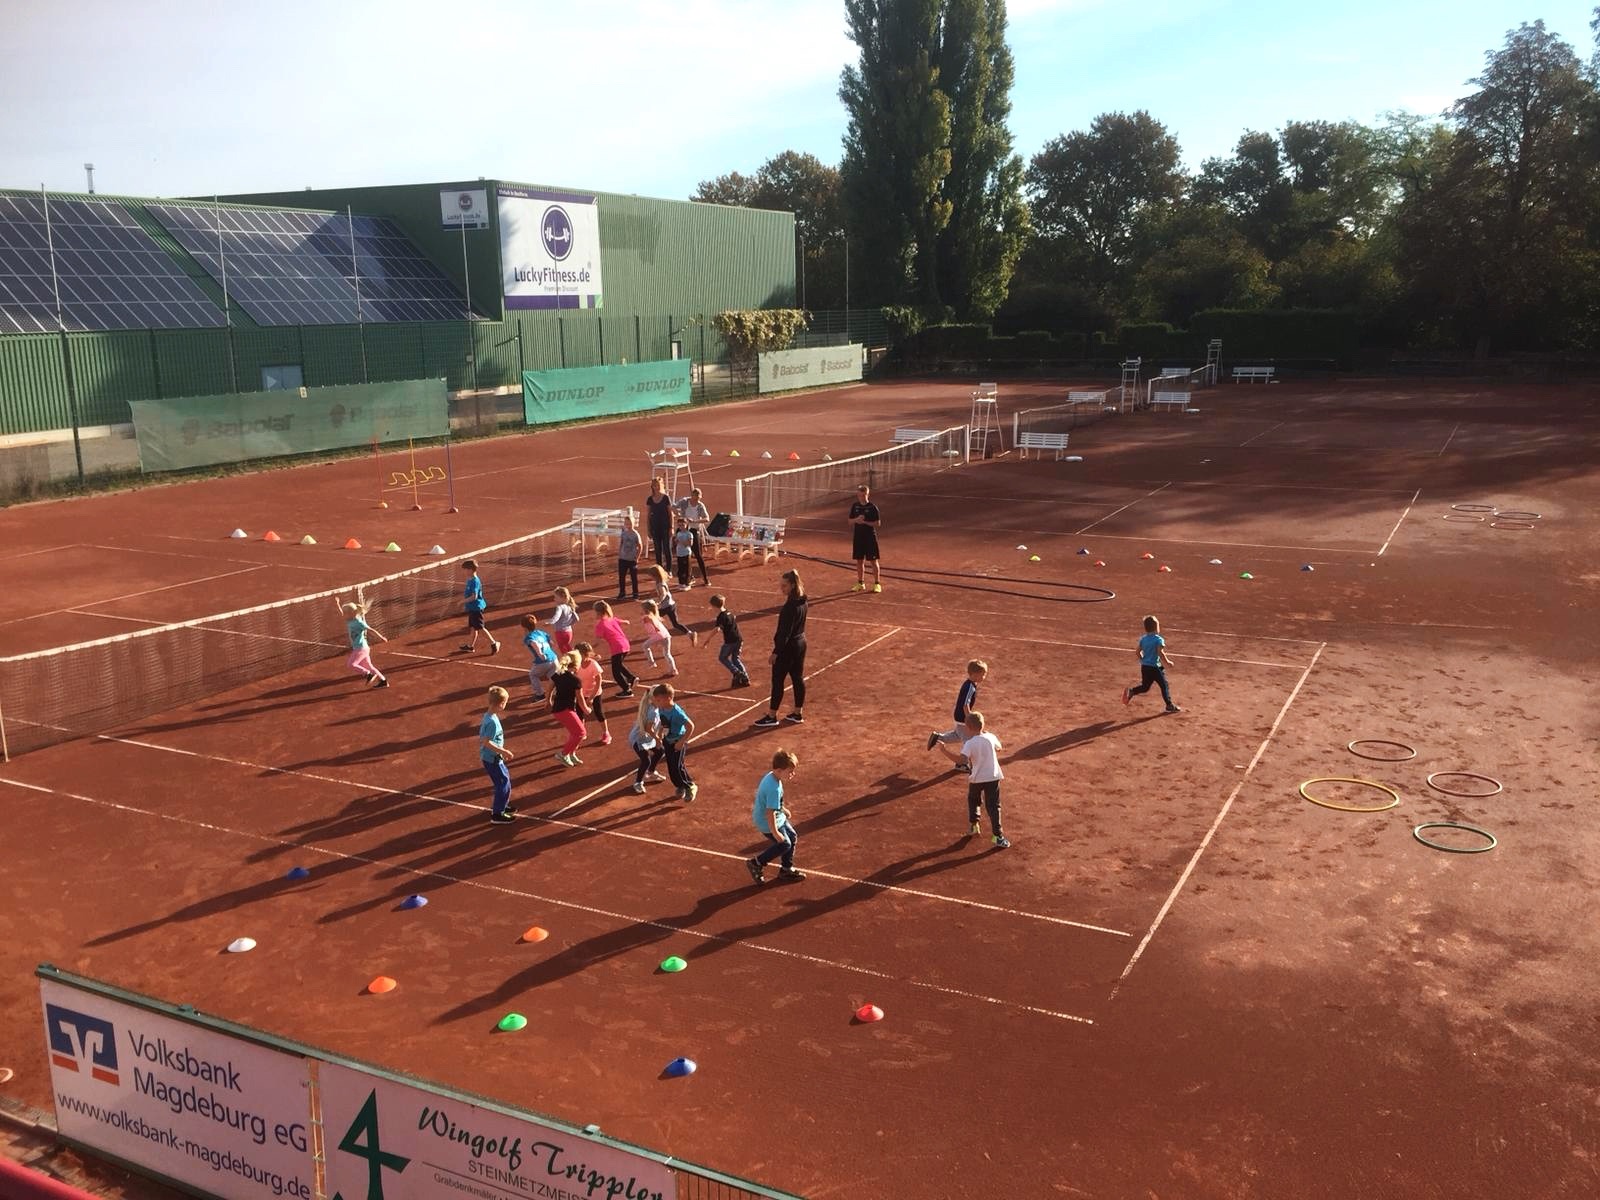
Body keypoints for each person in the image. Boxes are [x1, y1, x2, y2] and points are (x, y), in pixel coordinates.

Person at [937, 710, 1009, 848]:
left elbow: (962, 760)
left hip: (976, 778)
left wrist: (944, 751)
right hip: (993, 777)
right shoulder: (991, 737)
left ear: (968, 728)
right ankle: (998, 836)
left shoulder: (969, 743)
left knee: (973, 800)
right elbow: (999, 748)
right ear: (983, 724)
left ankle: (974, 825)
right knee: (994, 806)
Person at [752, 569, 807, 728]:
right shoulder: (803, 601)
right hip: (801, 643)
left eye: (784, 586)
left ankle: (771, 715)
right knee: (797, 678)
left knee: (777, 681)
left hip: (788, 647)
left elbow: (785, 633)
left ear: (791, 585)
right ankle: (797, 713)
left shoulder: (790, 606)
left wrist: (776, 652)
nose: (781, 589)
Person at [745, 748, 805, 884]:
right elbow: (769, 812)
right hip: (768, 822)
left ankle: (786, 869)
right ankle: (756, 863)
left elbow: (774, 804)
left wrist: (783, 809)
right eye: (790, 771)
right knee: (784, 844)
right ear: (779, 770)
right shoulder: (773, 788)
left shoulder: (773, 777)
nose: (792, 774)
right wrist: (775, 832)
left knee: (792, 837)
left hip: (778, 817)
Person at [926, 660, 988, 769]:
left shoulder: (969, 684)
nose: (984, 677)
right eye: (983, 674)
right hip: (963, 718)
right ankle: (962, 764)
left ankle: (938, 737)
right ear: (975, 674)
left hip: (959, 717)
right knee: (968, 741)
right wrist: (970, 721)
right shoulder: (970, 687)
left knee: (958, 735)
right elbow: (965, 704)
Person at [1122, 615, 1180, 713]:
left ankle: (1132, 691)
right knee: (1164, 685)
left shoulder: (1143, 639)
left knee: (1145, 687)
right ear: (1156, 627)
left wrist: (1143, 660)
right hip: (1155, 667)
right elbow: (1160, 653)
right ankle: (1169, 705)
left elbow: (1137, 652)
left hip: (1145, 667)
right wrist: (1168, 662)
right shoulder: (1158, 639)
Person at [651, 682, 697, 802]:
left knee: (678, 766)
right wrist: (660, 733)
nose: (656, 703)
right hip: (668, 741)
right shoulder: (662, 708)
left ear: (669, 698)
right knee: (671, 767)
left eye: (659, 700)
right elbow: (663, 722)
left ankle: (690, 786)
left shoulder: (677, 713)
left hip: (677, 742)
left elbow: (690, 726)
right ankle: (680, 786)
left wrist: (681, 742)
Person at [337, 588, 389, 689]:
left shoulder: (359, 622)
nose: (344, 614)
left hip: (361, 648)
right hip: (362, 648)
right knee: (369, 666)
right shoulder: (349, 620)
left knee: (351, 664)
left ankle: (368, 674)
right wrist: (337, 604)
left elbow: (370, 630)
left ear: (351, 613)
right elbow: (341, 614)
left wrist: (381, 637)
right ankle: (383, 681)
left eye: (346, 612)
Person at [478, 685, 516, 824]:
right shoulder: (492, 722)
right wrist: (504, 751)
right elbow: (486, 742)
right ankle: (497, 814)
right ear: (500, 704)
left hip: (494, 758)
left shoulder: (489, 716)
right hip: (492, 758)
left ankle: (502, 806)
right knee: (503, 783)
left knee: (504, 781)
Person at [548, 651, 589, 767]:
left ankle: (571, 753)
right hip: (565, 710)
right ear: (576, 665)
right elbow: (580, 698)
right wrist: (586, 709)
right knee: (581, 733)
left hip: (558, 709)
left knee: (574, 732)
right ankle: (563, 754)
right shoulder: (575, 681)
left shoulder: (558, 674)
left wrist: (548, 701)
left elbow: (550, 688)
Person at [591, 600, 637, 698]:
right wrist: (626, 622)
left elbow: (597, 641)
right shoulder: (612, 619)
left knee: (616, 673)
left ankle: (627, 690)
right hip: (625, 645)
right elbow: (624, 622)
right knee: (618, 665)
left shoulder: (600, 625)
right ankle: (631, 678)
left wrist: (590, 650)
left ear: (598, 613)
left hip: (617, 648)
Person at [702, 593, 749, 687]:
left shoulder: (721, 617)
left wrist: (708, 639)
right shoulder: (729, 612)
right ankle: (745, 678)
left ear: (713, 606)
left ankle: (736, 672)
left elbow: (717, 629)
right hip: (738, 639)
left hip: (730, 642)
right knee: (735, 659)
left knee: (722, 658)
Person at [628, 692, 667, 795]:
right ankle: (638, 782)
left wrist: (660, 733)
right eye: (661, 698)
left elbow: (660, 723)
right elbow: (648, 729)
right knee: (646, 761)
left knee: (660, 751)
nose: (664, 700)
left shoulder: (655, 706)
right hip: (639, 739)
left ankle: (651, 772)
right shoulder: (652, 712)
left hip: (646, 737)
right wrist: (658, 739)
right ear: (654, 699)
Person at [459, 559, 501, 654]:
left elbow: (474, 596)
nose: (464, 571)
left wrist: (462, 601)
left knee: (480, 628)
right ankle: (470, 646)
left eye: (465, 569)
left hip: (476, 608)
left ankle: (494, 643)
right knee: (473, 628)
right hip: (472, 608)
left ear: (470, 570)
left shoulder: (475, 581)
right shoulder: (470, 580)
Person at [575, 641, 612, 745]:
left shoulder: (593, 664)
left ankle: (606, 733)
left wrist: (591, 697)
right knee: (579, 713)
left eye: (579, 654)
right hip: (581, 693)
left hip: (595, 693)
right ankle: (581, 732)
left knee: (599, 713)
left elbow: (599, 682)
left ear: (585, 654)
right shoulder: (576, 664)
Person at [848, 483, 882, 593]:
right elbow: (849, 521)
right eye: (860, 495)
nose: (862, 497)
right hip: (858, 537)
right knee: (859, 561)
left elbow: (877, 523)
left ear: (868, 495)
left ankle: (877, 584)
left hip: (870, 537)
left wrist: (865, 522)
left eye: (864, 495)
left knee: (873, 561)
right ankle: (860, 583)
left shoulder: (873, 508)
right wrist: (856, 520)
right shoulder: (855, 506)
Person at [675, 487, 712, 586]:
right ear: (692, 496)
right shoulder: (684, 501)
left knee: (698, 555)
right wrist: (680, 516)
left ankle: (705, 578)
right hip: (683, 529)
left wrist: (695, 521)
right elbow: (673, 506)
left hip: (693, 530)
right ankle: (687, 577)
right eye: (695, 498)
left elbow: (706, 518)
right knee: (681, 553)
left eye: (698, 498)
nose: (697, 500)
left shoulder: (700, 506)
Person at [521, 614, 557, 705]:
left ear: (524, 627)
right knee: (552, 676)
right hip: (554, 658)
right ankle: (558, 692)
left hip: (543, 662)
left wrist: (540, 654)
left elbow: (533, 643)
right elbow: (551, 643)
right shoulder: (541, 632)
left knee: (533, 675)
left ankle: (540, 694)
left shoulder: (529, 637)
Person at [637, 600, 678, 676]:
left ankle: (651, 662)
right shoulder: (654, 615)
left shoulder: (647, 617)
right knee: (667, 654)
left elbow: (651, 621)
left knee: (645, 646)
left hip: (658, 635)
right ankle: (673, 670)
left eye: (642, 608)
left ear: (646, 609)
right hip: (665, 635)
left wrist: (655, 628)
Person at [647, 564, 690, 635]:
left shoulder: (660, 584)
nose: (651, 577)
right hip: (672, 605)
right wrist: (654, 591)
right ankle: (689, 633)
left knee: (653, 617)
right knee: (676, 624)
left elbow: (663, 594)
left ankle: (659, 632)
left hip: (666, 607)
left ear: (655, 575)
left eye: (651, 576)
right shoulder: (661, 581)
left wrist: (658, 602)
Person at [644, 476, 675, 569]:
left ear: (661, 485)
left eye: (657, 485)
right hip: (655, 528)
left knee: (666, 549)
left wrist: (671, 527)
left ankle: (669, 569)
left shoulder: (666, 498)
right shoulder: (650, 499)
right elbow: (648, 515)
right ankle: (660, 570)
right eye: (654, 486)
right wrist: (648, 530)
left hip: (665, 527)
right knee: (657, 550)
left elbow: (670, 514)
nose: (656, 487)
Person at [616, 514, 643, 601]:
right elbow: (621, 543)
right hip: (623, 558)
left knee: (633, 577)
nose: (628, 525)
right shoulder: (623, 533)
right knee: (621, 577)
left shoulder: (636, 534)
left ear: (633, 524)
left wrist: (637, 557)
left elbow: (640, 546)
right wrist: (620, 554)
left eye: (630, 523)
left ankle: (635, 593)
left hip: (632, 559)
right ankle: (622, 592)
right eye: (626, 523)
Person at [549, 586, 579, 656]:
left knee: (563, 651)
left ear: (562, 598)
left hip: (560, 633)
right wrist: (569, 624)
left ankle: (569, 663)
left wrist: (551, 621)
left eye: (556, 597)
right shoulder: (570, 607)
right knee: (568, 648)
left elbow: (556, 617)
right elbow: (577, 618)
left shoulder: (560, 607)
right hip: (569, 632)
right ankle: (575, 658)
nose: (554, 599)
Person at [672, 518, 695, 589]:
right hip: (679, 553)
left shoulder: (689, 534)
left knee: (687, 569)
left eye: (682, 525)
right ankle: (681, 583)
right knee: (680, 569)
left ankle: (687, 584)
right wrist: (675, 541)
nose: (681, 527)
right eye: (679, 525)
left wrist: (681, 541)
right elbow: (676, 543)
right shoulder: (678, 533)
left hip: (686, 553)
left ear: (686, 524)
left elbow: (690, 544)